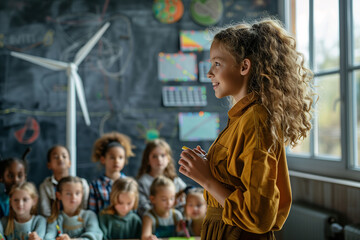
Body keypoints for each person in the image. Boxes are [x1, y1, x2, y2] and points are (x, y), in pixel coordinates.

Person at [179, 17, 315, 239]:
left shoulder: (256, 119)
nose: (209, 73)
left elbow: (257, 216)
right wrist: (210, 166)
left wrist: (206, 179)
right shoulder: (242, 117)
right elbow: (237, 183)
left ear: (244, 66)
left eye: (217, 63)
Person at [137, 139, 187, 217]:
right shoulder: (142, 182)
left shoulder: (175, 180)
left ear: (168, 158)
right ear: (147, 160)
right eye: (154, 156)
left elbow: (187, 195)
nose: (159, 159)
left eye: (163, 155)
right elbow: (142, 207)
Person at [88, 132, 135, 214]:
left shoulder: (130, 184)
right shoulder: (95, 186)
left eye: (120, 157)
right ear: (103, 159)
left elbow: (133, 211)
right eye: (112, 157)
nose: (117, 161)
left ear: (125, 160)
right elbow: (92, 213)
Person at [39, 145, 90, 217]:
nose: (60, 159)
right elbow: (46, 212)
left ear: (69, 163)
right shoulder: (45, 186)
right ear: (49, 165)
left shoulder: (81, 184)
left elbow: (85, 208)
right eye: (56, 157)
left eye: (64, 156)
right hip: (55, 224)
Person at [141, 176, 183, 240]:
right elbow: (145, 237)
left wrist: (180, 231)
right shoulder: (148, 217)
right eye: (164, 199)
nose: (169, 203)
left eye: (172, 198)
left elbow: (184, 236)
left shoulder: (177, 215)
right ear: (152, 199)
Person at [0, 152, 28, 218]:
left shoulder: (30, 199)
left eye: (20, 176)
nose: (16, 180)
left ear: (25, 177)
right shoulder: (1, 202)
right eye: (10, 176)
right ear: (1, 178)